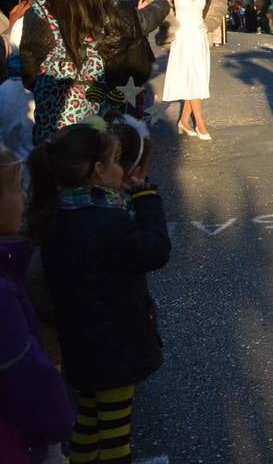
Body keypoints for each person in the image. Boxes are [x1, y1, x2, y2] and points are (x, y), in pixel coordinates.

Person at [28, 120, 169, 464]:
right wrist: (146, 196)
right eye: (116, 162)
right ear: (97, 171)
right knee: (116, 434)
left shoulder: (57, 214)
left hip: (80, 343)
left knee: (89, 422)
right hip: (116, 346)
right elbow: (154, 250)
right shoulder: (108, 221)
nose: (122, 169)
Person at [21, 0, 176, 143]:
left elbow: (30, 76)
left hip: (55, 140)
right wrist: (164, 2)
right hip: (106, 139)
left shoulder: (37, 14)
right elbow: (138, 72)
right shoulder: (119, 13)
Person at [0, 140, 74, 463]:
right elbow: (23, 374)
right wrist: (59, 421)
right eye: (17, 189)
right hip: (9, 443)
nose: (24, 197)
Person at [163, 0, 224, 141]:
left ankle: (184, 121)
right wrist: (144, 7)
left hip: (199, 35)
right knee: (191, 77)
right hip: (181, 37)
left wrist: (210, 22)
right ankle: (200, 122)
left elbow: (221, 0)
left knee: (196, 76)